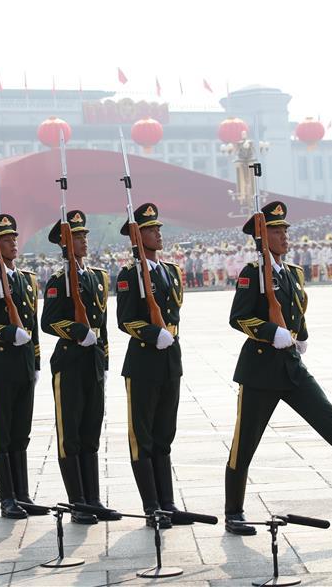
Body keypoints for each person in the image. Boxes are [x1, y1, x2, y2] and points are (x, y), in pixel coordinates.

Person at [224, 201, 332, 537]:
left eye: (285, 230)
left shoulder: (292, 272)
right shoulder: (253, 272)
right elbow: (239, 317)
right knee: (244, 444)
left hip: (291, 367)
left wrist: (299, 335)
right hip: (260, 371)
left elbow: (296, 310)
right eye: (276, 231)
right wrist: (270, 332)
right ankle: (233, 512)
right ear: (262, 238)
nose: (284, 236)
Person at [40, 211, 119, 525]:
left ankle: (94, 499)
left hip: (93, 363)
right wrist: (76, 332)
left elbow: (103, 323)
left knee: (91, 432)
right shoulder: (59, 280)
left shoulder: (98, 277)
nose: (84, 240)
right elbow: (48, 322)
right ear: (64, 242)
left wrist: (105, 359)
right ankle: (77, 502)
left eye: (85, 235)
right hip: (70, 363)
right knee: (70, 434)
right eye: (77, 236)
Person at [115, 203, 188, 529]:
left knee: (164, 435)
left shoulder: (169, 271)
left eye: (158, 227)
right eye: (151, 229)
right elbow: (125, 320)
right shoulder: (130, 275)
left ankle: (168, 504)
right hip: (144, 360)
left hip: (170, 359)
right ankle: (151, 507)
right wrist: (151, 333)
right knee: (142, 437)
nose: (159, 232)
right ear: (137, 235)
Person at [0, 214, 42, 520]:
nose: (13, 242)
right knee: (1, 435)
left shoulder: (27, 280)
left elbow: (33, 326)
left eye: (14, 237)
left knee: (21, 433)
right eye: (5, 239)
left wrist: (37, 360)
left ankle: (23, 494)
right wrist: (8, 333)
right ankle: (7, 498)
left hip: (24, 365)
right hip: (1, 365)